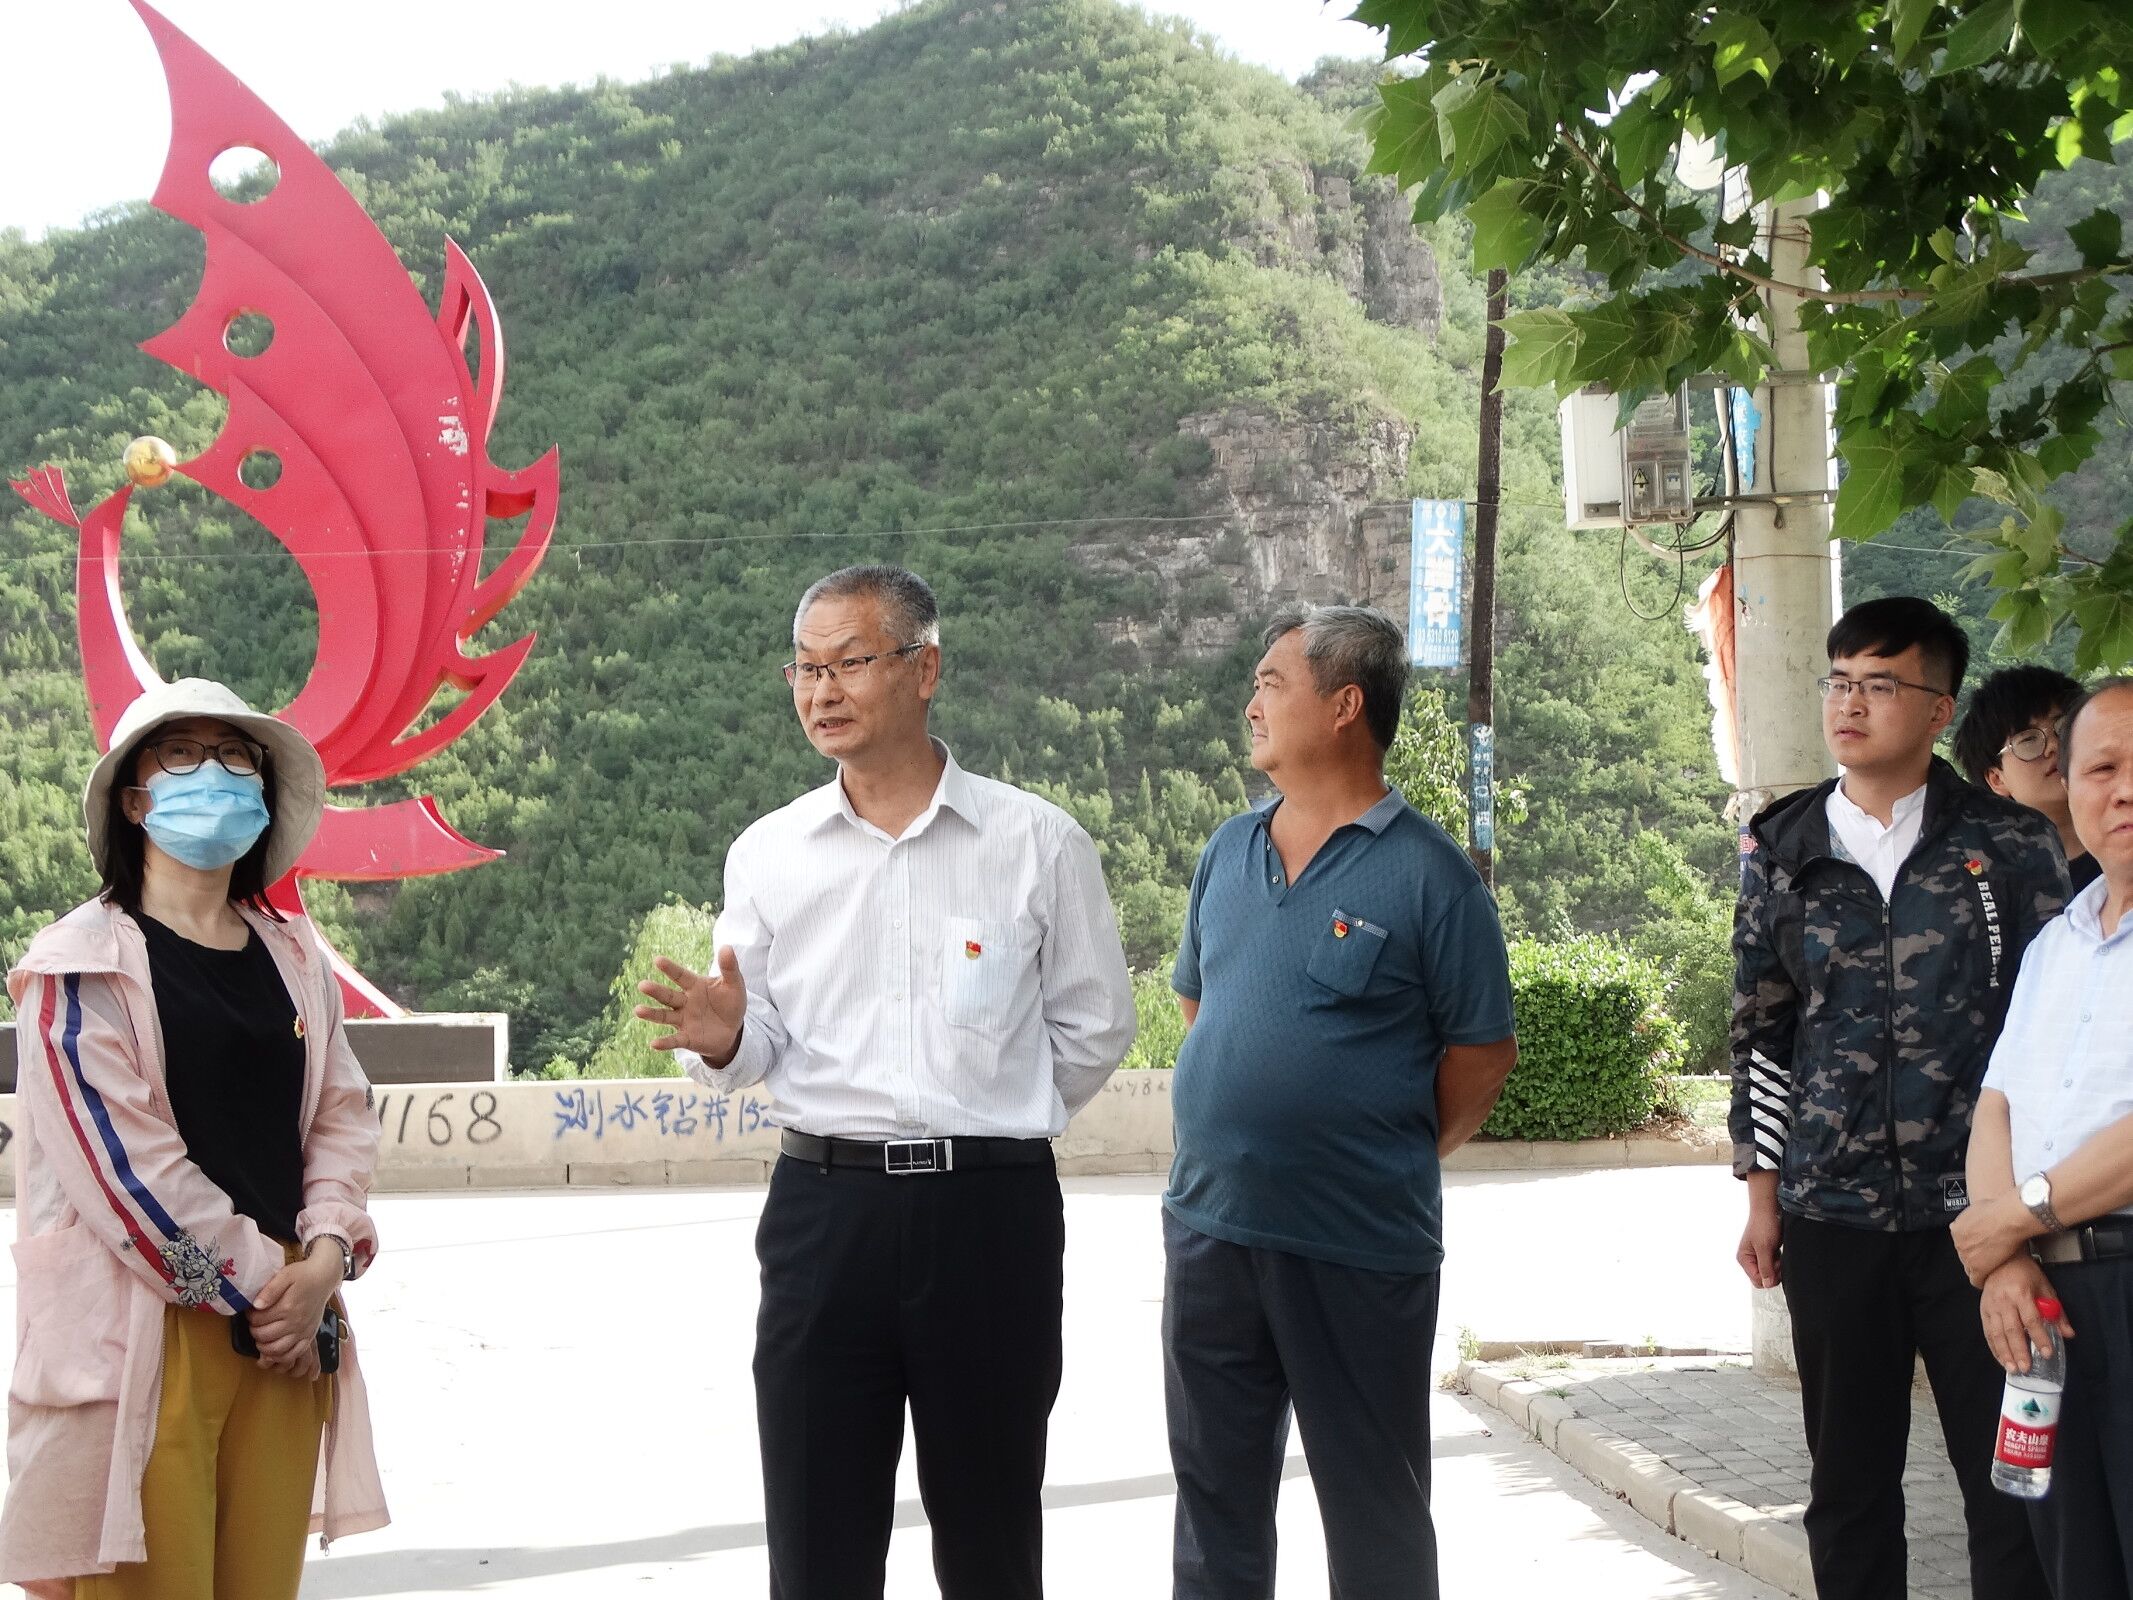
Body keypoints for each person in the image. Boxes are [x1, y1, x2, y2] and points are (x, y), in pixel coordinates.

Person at [634, 565, 1136, 1600]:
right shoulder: (770, 854)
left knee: (992, 1538)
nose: (822, 690)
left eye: (850, 662)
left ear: (925, 668)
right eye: (805, 668)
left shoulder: (1036, 843)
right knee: (820, 1542)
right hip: (827, 1215)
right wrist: (727, 1039)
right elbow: (751, 1038)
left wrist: (993, 1122)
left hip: (990, 1217)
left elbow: (1094, 1028)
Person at [1159, 604, 1518, 1600]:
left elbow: (1482, 1053)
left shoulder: (1430, 876)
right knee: (1214, 1501)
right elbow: (1203, 1000)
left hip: (1357, 1242)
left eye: (1274, 682)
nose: (1252, 703)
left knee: (1374, 1511)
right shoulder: (1228, 851)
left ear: (1344, 703)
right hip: (1209, 1229)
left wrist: (1386, 1144)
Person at [1, 678, 387, 1600]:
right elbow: (128, 1177)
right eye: (181, 754)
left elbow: (341, 1110)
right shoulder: (78, 966)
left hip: (287, 1325)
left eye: (234, 755)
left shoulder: (294, 955)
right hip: (155, 1319)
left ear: (262, 795)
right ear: (135, 800)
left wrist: (326, 1255)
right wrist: (273, 1286)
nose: (211, 773)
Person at [1730, 596, 2066, 1600]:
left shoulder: (2007, 844)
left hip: (1984, 1224)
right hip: (1832, 1214)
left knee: (2013, 1487)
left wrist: (2032, 1208)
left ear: (1935, 707)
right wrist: (1762, 1191)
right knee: (1850, 1491)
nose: (1851, 704)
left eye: (1880, 684)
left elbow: (2050, 1026)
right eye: (1839, 681)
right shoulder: (1781, 846)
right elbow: (1762, 1028)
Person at [1953, 676, 2133, 1599]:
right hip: (2047, 1302)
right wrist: (2006, 1260)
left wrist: (2013, 1219)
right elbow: (1999, 1105)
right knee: (2074, 1567)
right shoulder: (2055, 941)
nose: (2121, 790)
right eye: (2099, 768)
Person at [1954, 665, 2100, 890]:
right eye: (2028, 740)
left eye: (2064, 727)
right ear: (1996, 779)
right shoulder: (1994, 887)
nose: (2053, 746)